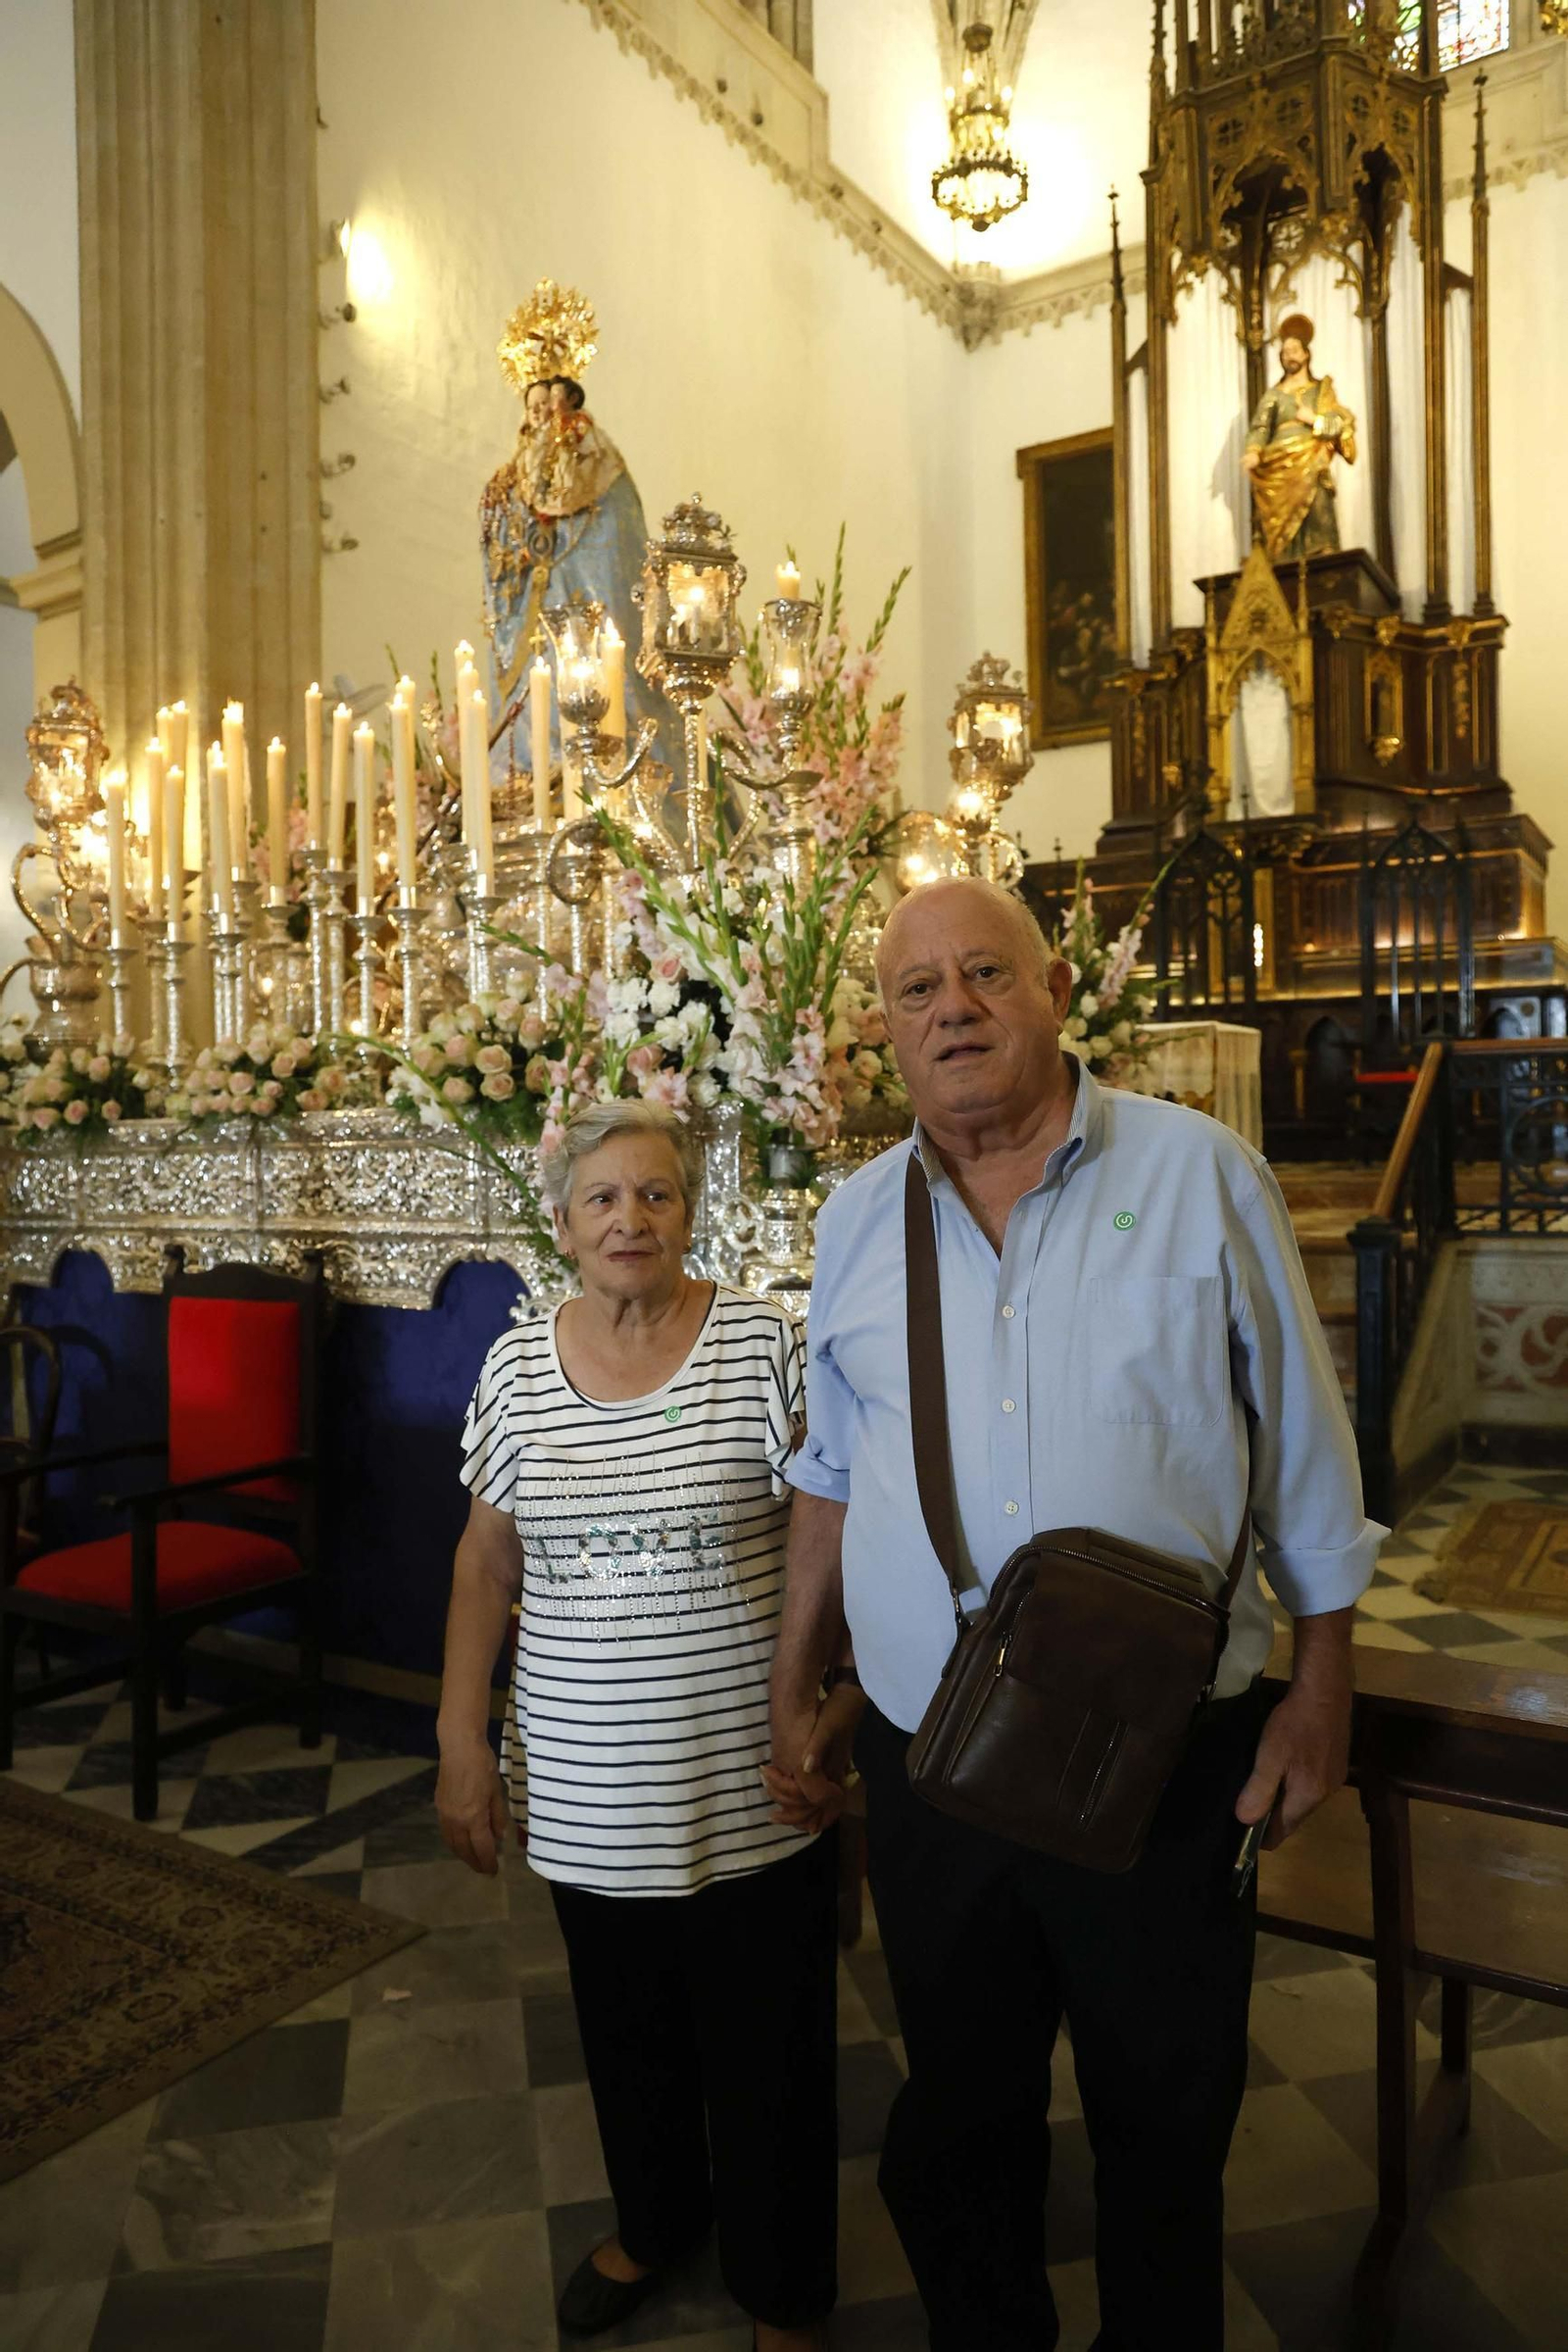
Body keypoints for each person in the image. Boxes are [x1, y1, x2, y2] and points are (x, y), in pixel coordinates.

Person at [766, 876, 1382, 2351]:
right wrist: (798, 1679)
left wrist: (1323, 1686)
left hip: (1164, 1748)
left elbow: (1300, 1438)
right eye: (918, 992)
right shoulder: (856, 1221)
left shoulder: (1197, 1174)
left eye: (985, 974)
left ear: (1052, 995)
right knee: (964, 2109)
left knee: (1164, 2112)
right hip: (938, 1753)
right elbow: (833, 1476)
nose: (954, 1009)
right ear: (886, 1034)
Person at [437, 1100, 836, 2351]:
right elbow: (484, 1564)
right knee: (625, 2032)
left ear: (689, 1215)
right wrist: (460, 1738)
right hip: (582, 1783)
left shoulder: (765, 1347)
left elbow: (837, 1553)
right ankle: (657, 2221)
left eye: (656, 1194)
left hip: (749, 1780)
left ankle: (783, 2286)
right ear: (560, 1226)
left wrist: (830, 1723)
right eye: (603, 1198)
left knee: (771, 2050)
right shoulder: (515, 1368)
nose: (631, 1218)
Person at [1243, 311, 1356, 562]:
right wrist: (1253, 450)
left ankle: (1323, 558)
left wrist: (1313, 420)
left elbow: (1340, 423)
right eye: (1284, 352)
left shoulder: (1320, 391)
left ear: (1306, 354)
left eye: (1294, 350)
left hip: (1311, 460)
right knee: (1281, 530)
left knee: (1318, 506)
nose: (1289, 356)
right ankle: (1284, 559)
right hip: (1278, 466)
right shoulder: (1274, 395)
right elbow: (1260, 428)